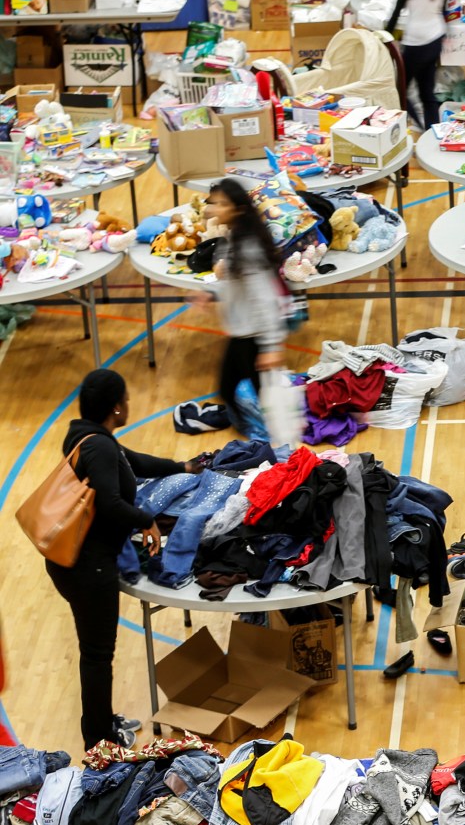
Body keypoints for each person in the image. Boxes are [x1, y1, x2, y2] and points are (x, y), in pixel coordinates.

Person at [49, 369, 200, 749]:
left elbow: (133, 461)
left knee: (95, 652)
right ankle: (98, 739)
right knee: (98, 654)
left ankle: (100, 721)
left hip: (73, 561)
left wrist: (181, 468)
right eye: (127, 399)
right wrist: (145, 519)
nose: (130, 404)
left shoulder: (88, 436)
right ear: (117, 407)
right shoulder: (99, 447)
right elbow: (109, 502)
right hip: (88, 567)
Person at [194, 179, 287, 437]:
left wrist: (271, 348)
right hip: (241, 332)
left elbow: (264, 297)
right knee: (231, 389)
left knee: (249, 392)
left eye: (222, 204)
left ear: (238, 209)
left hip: (252, 336)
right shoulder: (235, 237)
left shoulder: (248, 248)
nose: (215, 208)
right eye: (214, 202)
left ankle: (270, 441)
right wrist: (209, 293)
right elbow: (235, 285)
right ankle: (262, 436)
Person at [386, 0, 448, 131]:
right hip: (436, 37)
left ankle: (419, 126)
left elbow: (396, 14)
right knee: (427, 93)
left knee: (400, 90)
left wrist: (384, 39)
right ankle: (432, 133)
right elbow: (443, 9)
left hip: (416, 41)